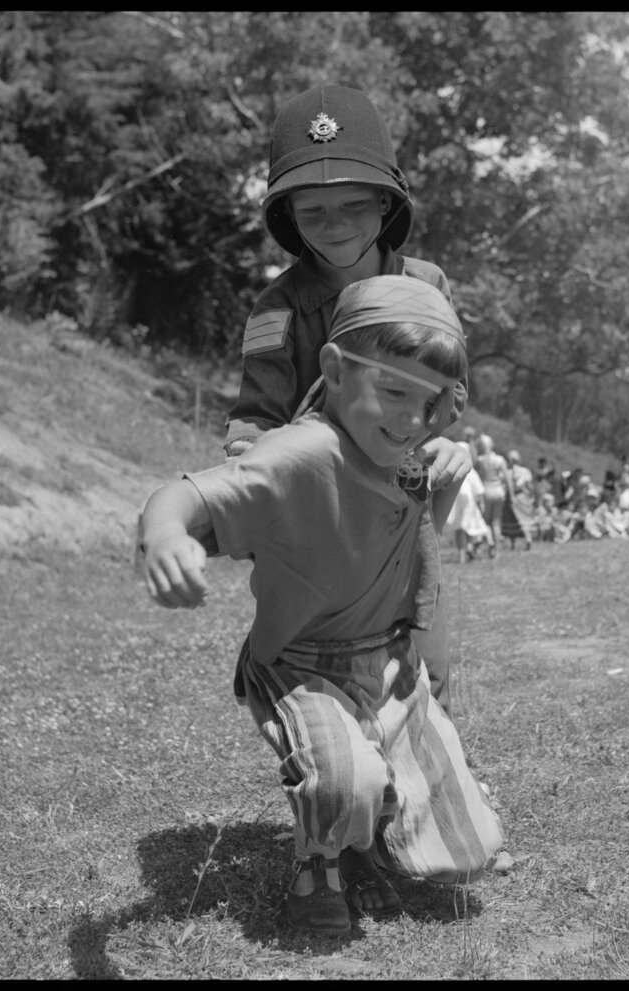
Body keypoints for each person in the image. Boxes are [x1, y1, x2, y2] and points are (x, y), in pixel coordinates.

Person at [139, 277, 502, 937]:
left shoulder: (404, 448)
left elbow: (413, 532)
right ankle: (318, 866)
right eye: (395, 392)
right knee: (344, 779)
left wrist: (450, 460)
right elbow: (181, 496)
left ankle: (367, 836)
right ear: (333, 371)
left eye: (430, 404)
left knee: (470, 852)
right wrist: (166, 537)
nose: (412, 419)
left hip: (391, 668)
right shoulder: (300, 454)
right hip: (303, 667)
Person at [221, 83, 467, 717]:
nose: (335, 225)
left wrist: (447, 443)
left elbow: (451, 388)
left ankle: (431, 760)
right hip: (322, 522)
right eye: (313, 211)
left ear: (386, 202)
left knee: (426, 661)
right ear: (288, 215)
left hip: (407, 510)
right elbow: (255, 417)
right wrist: (254, 462)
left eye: (354, 205)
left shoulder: (428, 285)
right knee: (316, 669)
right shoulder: (276, 310)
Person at [446, 449, 492, 563]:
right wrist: (481, 503)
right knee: (469, 528)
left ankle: (463, 555)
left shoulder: (451, 468)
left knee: (460, 529)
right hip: (467, 502)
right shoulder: (470, 470)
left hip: (455, 502)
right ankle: (470, 549)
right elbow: (479, 489)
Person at [473, 434, 510, 558]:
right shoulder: (500, 459)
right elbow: (507, 478)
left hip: (486, 490)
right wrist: (511, 493)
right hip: (499, 491)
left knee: (486, 521)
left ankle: (489, 544)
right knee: (496, 522)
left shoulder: (480, 460)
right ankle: (497, 551)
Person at [501, 449, 535, 550]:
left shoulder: (507, 472)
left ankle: (513, 544)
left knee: (512, 520)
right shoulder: (525, 471)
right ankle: (528, 539)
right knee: (523, 519)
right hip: (523, 497)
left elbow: (505, 486)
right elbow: (530, 487)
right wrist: (531, 497)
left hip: (511, 498)